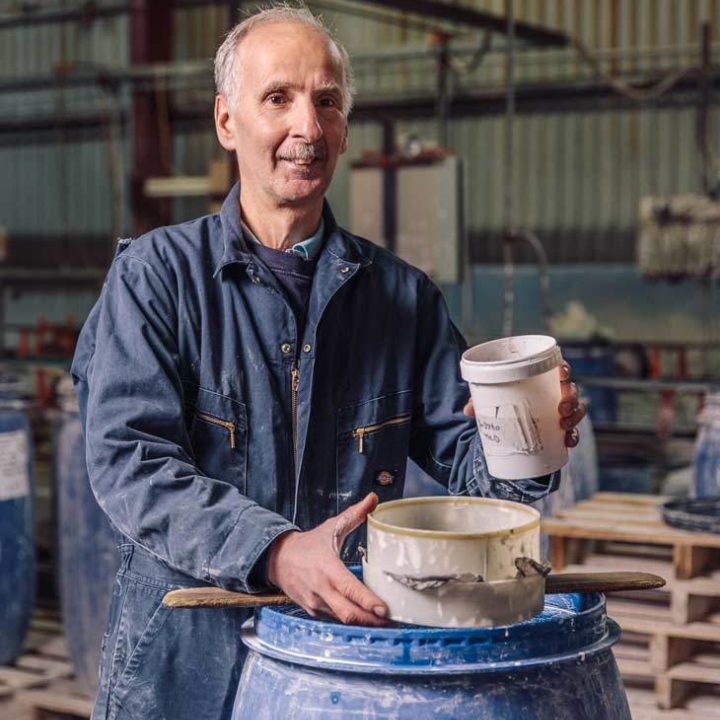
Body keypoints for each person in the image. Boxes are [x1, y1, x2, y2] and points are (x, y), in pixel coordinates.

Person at [71, 6, 586, 719]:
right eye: (278, 98)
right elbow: (130, 460)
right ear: (227, 122)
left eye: (327, 102)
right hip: (183, 668)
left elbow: (471, 469)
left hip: (337, 669)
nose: (306, 129)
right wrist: (276, 549)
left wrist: (529, 438)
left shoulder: (401, 298)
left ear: (343, 127)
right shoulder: (158, 278)